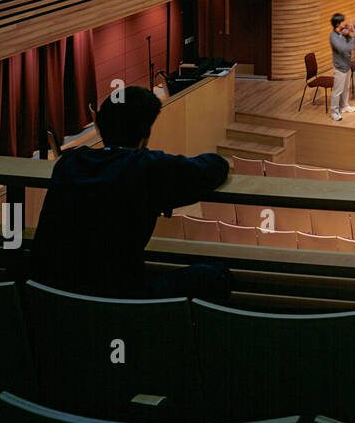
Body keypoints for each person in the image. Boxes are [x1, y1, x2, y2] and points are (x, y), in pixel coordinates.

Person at [29, 86, 231, 300]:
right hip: (118, 293)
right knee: (217, 276)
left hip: (50, 291)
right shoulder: (148, 167)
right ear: (146, 135)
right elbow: (215, 167)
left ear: (99, 127)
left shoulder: (69, 163)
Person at [329, 12, 355, 120]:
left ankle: (345, 106)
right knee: (337, 91)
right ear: (338, 24)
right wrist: (354, 39)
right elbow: (343, 48)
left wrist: (351, 33)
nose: (345, 23)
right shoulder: (333, 37)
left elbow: (350, 44)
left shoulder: (342, 34)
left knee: (346, 88)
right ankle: (334, 112)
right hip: (340, 67)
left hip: (347, 65)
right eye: (343, 22)